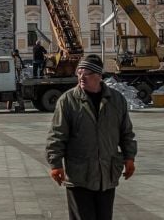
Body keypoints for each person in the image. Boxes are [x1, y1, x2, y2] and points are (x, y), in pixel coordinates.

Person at [46, 54, 137, 220]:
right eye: (79, 73)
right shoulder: (67, 101)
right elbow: (57, 136)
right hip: (80, 175)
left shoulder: (116, 101)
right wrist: (55, 164)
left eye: (86, 73)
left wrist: (129, 157)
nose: (81, 77)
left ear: (98, 76)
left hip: (106, 174)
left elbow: (126, 133)